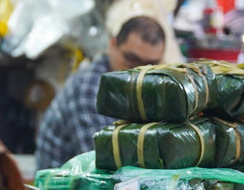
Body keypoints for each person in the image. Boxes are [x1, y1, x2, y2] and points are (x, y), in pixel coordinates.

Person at [36, 16, 168, 169]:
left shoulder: (136, 88)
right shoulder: (88, 90)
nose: (139, 71)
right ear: (113, 45)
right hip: (67, 186)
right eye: (131, 59)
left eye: (150, 65)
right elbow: (101, 164)